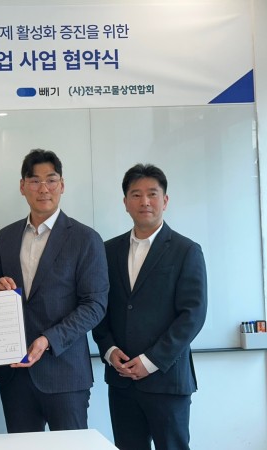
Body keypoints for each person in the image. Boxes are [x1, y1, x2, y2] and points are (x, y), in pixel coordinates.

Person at [0, 149, 109, 432]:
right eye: (34, 181)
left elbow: (95, 305)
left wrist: (48, 340)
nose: (43, 189)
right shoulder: (6, 236)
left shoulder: (85, 239)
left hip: (64, 372)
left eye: (51, 180)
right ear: (22, 186)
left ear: (62, 185)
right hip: (14, 375)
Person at [92, 164, 208, 450]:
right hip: (121, 380)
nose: (144, 201)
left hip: (167, 379)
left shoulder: (186, 250)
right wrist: (108, 349)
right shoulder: (107, 251)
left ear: (164, 200)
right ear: (125, 202)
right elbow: (97, 306)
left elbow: (192, 315)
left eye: (152, 194)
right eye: (136, 195)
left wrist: (151, 360)